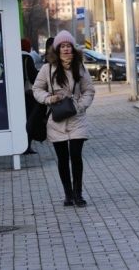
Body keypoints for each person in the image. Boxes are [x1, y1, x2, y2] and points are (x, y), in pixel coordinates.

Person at [33, 30, 95, 207]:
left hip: (77, 117)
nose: (66, 49)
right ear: (57, 49)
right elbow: (37, 89)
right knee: (62, 158)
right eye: (63, 46)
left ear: (73, 49)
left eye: (69, 46)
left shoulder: (79, 67)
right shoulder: (47, 69)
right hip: (57, 118)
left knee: (76, 155)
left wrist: (80, 106)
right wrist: (48, 99)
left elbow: (89, 90)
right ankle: (68, 194)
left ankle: (78, 194)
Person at [21, 38, 39, 154]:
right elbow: (33, 77)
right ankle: (27, 145)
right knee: (30, 119)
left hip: (16, 94)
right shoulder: (28, 58)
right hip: (27, 94)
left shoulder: (12, 57)